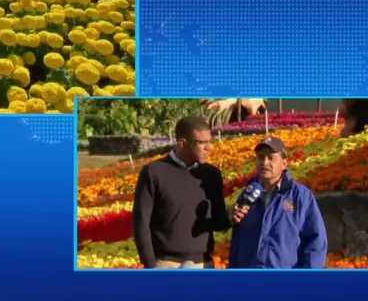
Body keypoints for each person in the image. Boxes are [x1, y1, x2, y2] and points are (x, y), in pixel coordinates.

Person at [132, 115, 230, 269]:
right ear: (182, 143)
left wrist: (232, 216)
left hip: (203, 264)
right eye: (201, 143)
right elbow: (141, 224)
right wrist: (151, 268)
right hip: (166, 264)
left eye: (209, 141)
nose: (208, 148)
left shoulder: (211, 174)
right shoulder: (154, 172)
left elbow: (219, 222)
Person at [228, 136, 328, 268]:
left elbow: (316, 241)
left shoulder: (301, 196)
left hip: (285, 277)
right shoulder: (247, 194)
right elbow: (237, 241)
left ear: (284, 163)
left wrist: (308, 277)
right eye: (261, 157)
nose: (264, 162)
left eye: (271, 157)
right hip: (249, 275)